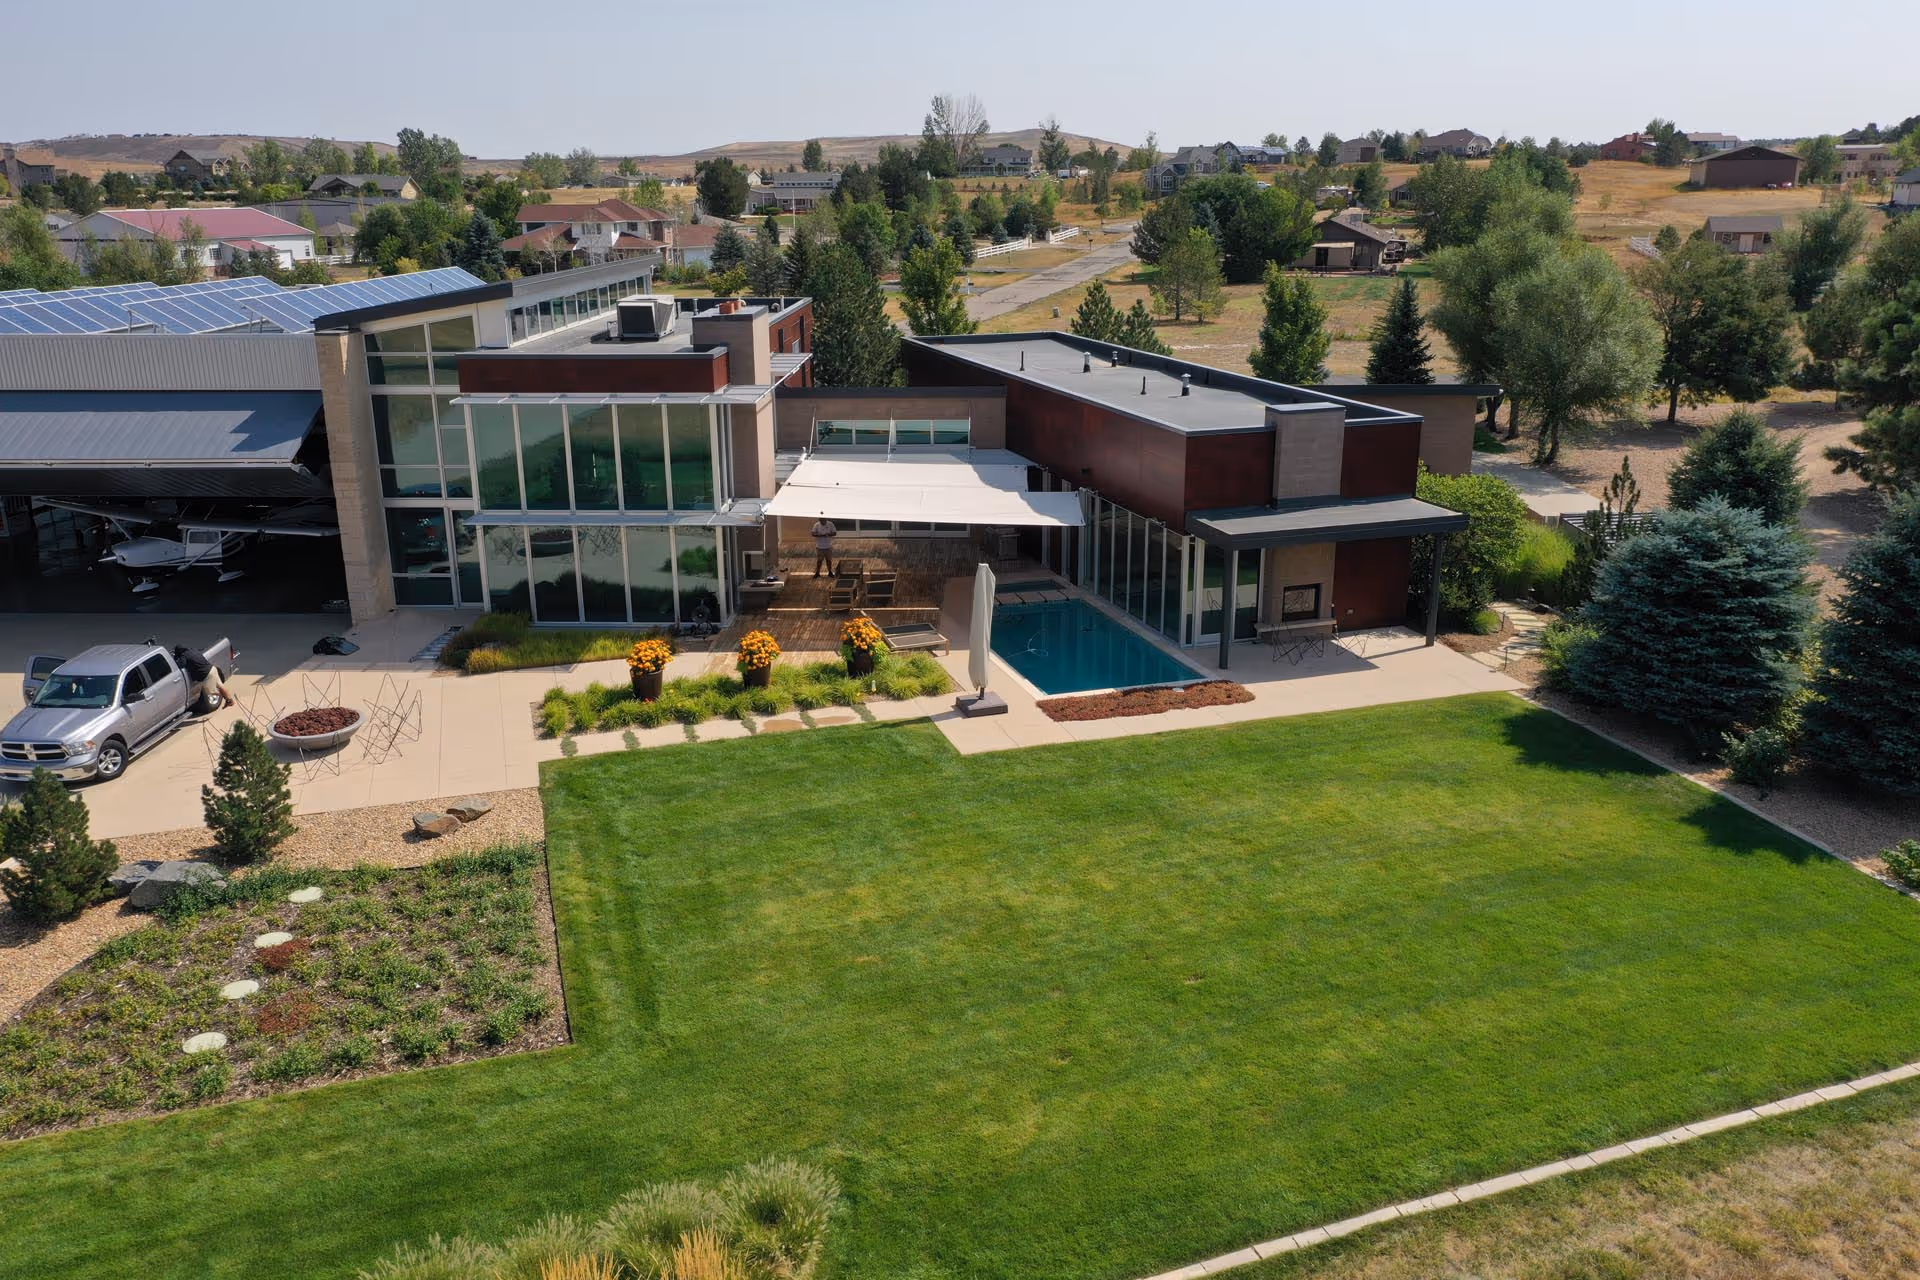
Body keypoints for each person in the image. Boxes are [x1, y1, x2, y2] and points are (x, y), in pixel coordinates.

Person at [172, 645, 235, 711]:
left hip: (207, 675)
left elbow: (180, 665)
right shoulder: (193, 650)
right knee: (220, 686)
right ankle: (230, 701)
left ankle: (225, 697)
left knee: (210, 692)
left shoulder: (184, 655)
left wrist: (176, 659)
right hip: (212, 669)